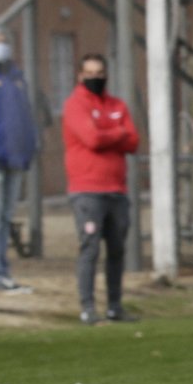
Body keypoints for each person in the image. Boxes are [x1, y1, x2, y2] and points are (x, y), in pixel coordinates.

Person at [62, 53, 139, 324]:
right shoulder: (75, 105)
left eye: (100, 72)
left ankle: (114, 306)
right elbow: (92, 139)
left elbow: (133, 141)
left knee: (117, 249)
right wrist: (116, 132)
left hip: (117, 190)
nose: (96, 78)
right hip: (87, 190)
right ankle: (87, 307)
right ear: (80, 76)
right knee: (90, 249)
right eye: (90, 73)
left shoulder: (117, 104)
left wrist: (111, 132)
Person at [0, 27, 37, 294]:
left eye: (3, 41)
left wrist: (28, 147)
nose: (0, 46)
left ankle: (2, 271)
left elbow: (24, 115)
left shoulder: (16, 76)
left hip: (15, 157)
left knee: (5, 217)